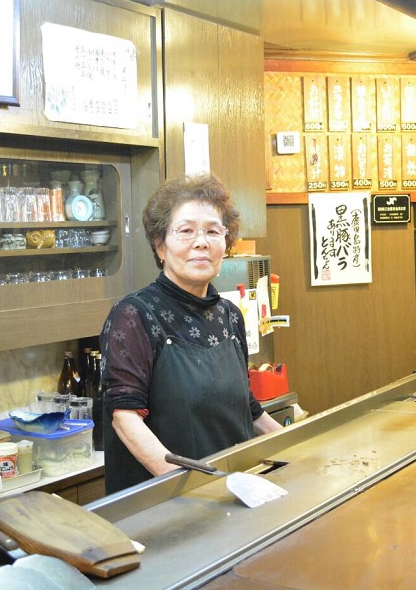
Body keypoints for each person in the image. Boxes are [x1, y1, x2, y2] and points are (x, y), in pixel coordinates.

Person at [100, 173, 283, 493]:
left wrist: (297, 450)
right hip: (167, 502)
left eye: (213, 231)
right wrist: (192, 487)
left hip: (232, 494)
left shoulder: (229, 315)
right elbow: (125, 419)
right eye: (185, 231)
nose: (201, 241)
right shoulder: (134, 316)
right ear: (160, 245)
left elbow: (248, 409)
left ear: (226, 243)